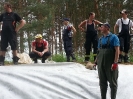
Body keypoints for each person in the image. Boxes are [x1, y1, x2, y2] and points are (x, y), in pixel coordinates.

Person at [96, 23, 120, 99]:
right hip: (101, 63)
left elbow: (117, 50)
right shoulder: (100, 39)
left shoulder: (114, 37)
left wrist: (115, 62)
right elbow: (99, 51)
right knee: (102, 83)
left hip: (110, 63)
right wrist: (96, 61)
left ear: (107, 28)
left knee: (113, 83)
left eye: (101, 27)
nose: (100, 29)